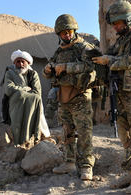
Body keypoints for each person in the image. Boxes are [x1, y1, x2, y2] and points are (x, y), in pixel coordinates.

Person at [92, 0, 131, 193]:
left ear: (127, 19)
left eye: (117, 23)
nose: (114, 27)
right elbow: (106, 57)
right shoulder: (120, 41)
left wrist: (111, 61)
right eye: (113, 24)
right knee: (125, 135)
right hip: (120, 94)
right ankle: (130, 172)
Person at [42, 14, 99, 180]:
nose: (67, 35)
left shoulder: (83, 47)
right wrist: (47, 70)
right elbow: (50, 72)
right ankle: (69, 162)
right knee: (66, 130)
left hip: (80, 96)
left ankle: (87, 166)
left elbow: (90, 65)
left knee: (84, 132)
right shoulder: (59, 51)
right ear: (59, 34)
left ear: (74, 31)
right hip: (63, 96)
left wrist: (66, 67)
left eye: (69, 31)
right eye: (63, 33)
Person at [0, 50, 49, 146]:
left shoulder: (33, 74)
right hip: (14, 103)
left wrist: (20, 91)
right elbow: (9, 90)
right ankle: (18, 139)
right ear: (14, 62)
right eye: (18, 61)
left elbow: (37, 92)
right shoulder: (10, 73)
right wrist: (25, 89)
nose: (21, 64)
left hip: (31, 103)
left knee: (35, 98)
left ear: (28, 63)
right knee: (20, 94)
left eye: (23, 61)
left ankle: (33, 137)